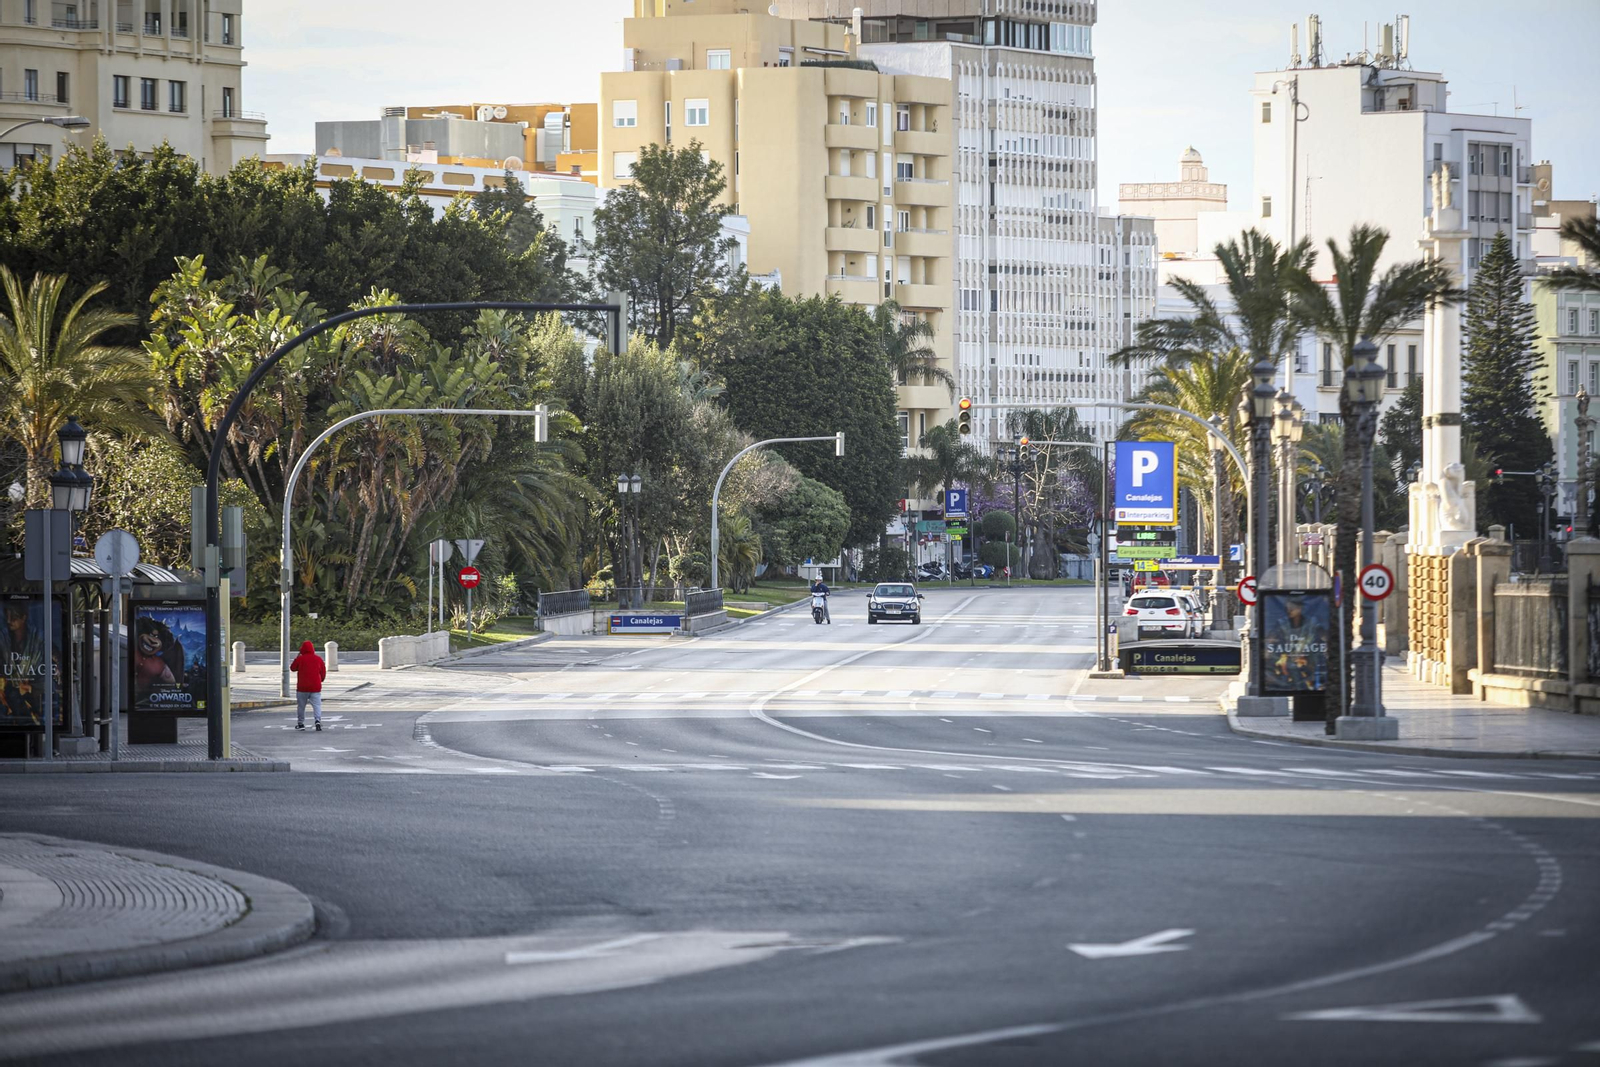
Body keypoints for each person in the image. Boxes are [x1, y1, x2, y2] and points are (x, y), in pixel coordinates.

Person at [290, 640, 326, 731]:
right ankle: (317, 720)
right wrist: (320, 680)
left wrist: (298, 656)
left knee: (301, 706)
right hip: (315, 687)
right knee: (317, 705)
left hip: (302, 687)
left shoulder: (300, 659)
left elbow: (293, 668)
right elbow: (323, 672)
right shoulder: (318, 659)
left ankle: (301, 723)